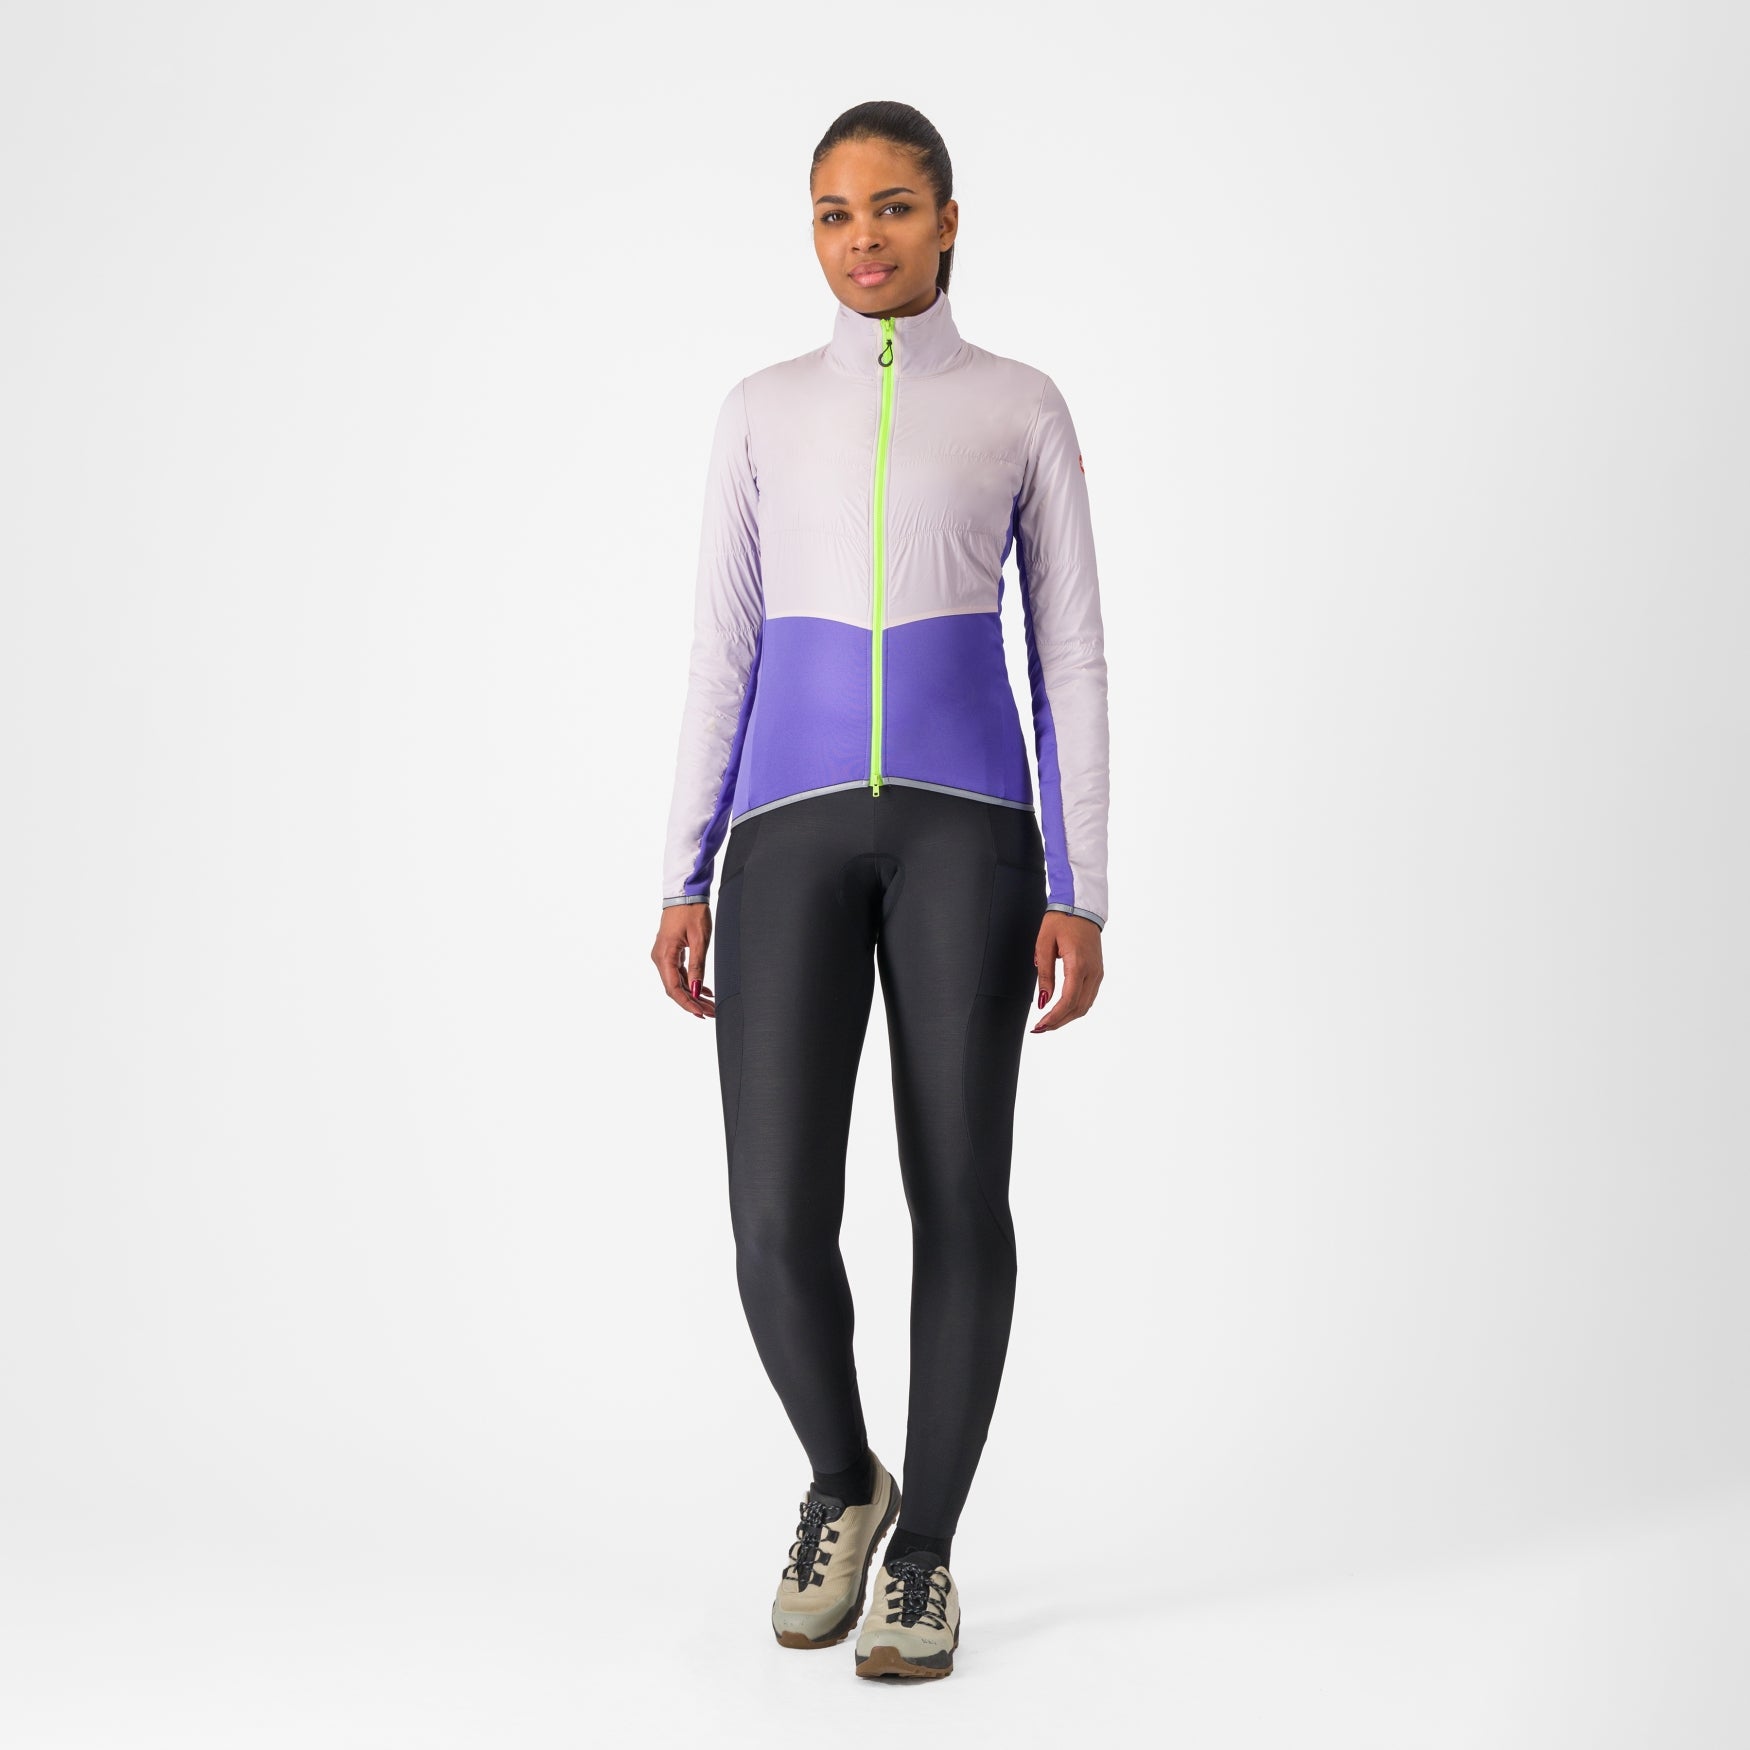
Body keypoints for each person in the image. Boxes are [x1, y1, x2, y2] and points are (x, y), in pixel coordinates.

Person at [650, 100, 1110, 1681]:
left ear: (948, 219)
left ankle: (924, 1556)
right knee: (774, 1220)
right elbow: (720, 646)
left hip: (968, 835)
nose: (864, 239)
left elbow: (1069, 654)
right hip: (781, 837)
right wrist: (680, 864)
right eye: (835, 214)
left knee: (957, 1194)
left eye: (893, 208)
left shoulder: (1020, 405)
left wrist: (1083, 883)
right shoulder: (761, 409)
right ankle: (846, 1478)